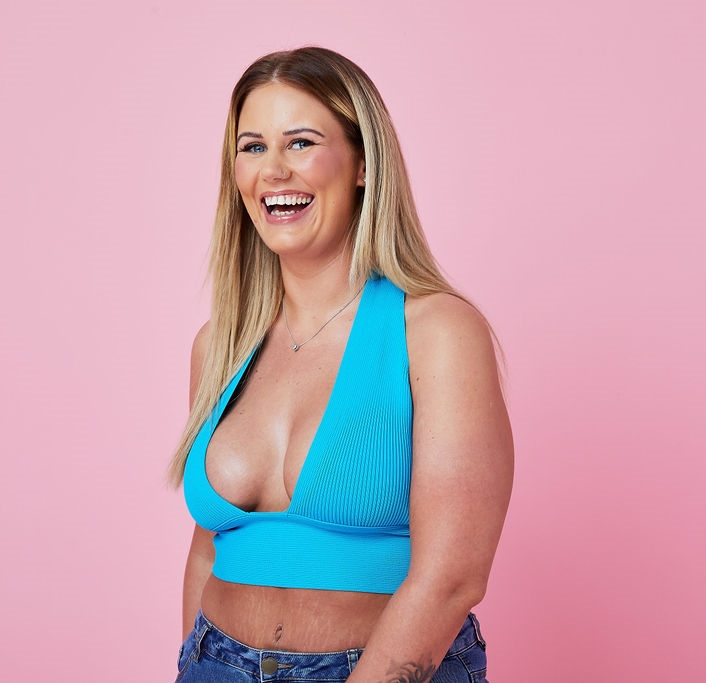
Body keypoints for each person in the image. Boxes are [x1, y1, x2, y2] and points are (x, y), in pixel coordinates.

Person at [167, 46, 513, 683]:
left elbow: (453, 577)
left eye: (300, 142)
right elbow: (205, 548)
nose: (273, 170)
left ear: (361, 164)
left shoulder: (436, 332)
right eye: (252, 147)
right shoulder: (218, 344)